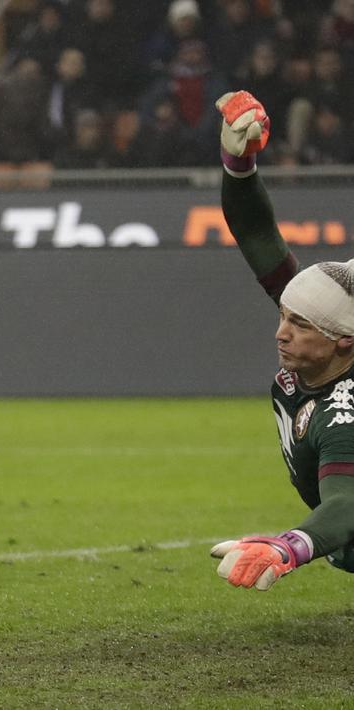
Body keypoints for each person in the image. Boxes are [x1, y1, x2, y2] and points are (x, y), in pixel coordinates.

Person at [209, 89, 354, 590]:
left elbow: (346, 504)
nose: (281, 331)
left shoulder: (345, 410)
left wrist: (287, 546)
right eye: (285, 315)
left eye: (299, 325)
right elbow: (255, 232)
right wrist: (239, 165)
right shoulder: (328, 319)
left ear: (344, 342)